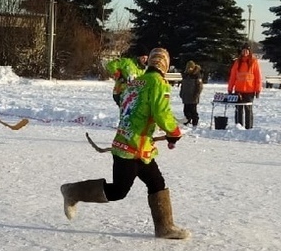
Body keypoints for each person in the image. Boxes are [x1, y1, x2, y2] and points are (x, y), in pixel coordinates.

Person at [59, 47, 190, 240]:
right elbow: (161, 113)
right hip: (130, 148)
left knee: (156, 182)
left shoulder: (136, 82)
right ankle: (72, 192)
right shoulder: (159, 83)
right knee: (119, 191)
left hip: (138, 147)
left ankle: (165, 227)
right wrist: (174, 132)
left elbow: (130, 108)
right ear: (165, 65)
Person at [227, 43, 262, 130]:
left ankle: (249, 127)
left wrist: (258, 90)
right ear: (241, 51)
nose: (245, 52)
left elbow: (258, 77)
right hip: (239, 90)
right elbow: (233, 76)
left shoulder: (254, 62)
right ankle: (238, 126)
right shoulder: (237, 62)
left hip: (250, 91)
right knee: (238, 109)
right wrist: (230, 88)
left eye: (247, 50)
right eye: (243, 50)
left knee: (248, 110)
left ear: (249, 51)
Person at [179, 60, 203, 126]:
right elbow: (183, 85)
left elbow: (199, 87)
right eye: (188, 67)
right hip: (186, 96)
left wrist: (196, 94)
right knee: (186, 110)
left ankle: (195, 122)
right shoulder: (185, 75)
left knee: (193, 110)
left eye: (191, 67)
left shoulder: (197, 76)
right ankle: (187, 120)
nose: (189, 69)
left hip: (193, 96)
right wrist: (181, 93)